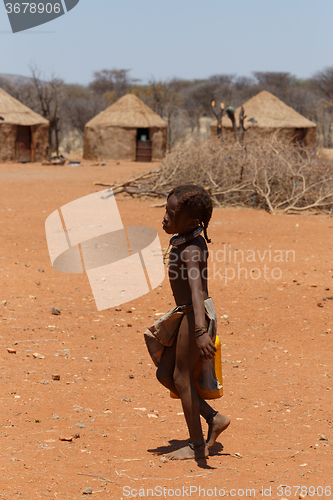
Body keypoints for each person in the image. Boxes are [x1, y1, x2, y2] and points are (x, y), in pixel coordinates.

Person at [144, 184, 230, 461]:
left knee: (180, 377)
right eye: (165, 210)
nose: (165, 217)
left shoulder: (192, 248)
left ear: (192, 222)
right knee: (165, 375)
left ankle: (196, 447)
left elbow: (197, 291)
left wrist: (201, 332)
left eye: (171, 213)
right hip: (186, 313)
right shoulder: (184, 238)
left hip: (195, 317)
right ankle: (214, 418)